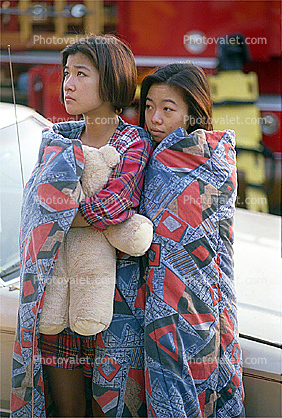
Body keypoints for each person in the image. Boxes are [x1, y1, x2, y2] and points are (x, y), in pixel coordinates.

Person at [10, 35, 152, 418]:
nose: (67, 84)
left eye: (80, 74)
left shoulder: (133, 142)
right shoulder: (57, 140)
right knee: (67, 411)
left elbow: (113, 207)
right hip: (55, 295)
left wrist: (55, 216)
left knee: (111, 409)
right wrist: (52, 214)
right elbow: (33, 208)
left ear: (110, 80)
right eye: (66, 73)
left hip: (115, 307)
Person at [137, 63, 245, 417]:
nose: (154, 118)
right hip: (163, 313)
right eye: (149, 106)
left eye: (168, 109)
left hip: (199, 308)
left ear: (193, 115)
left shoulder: (209, 162)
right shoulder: (141, 157)